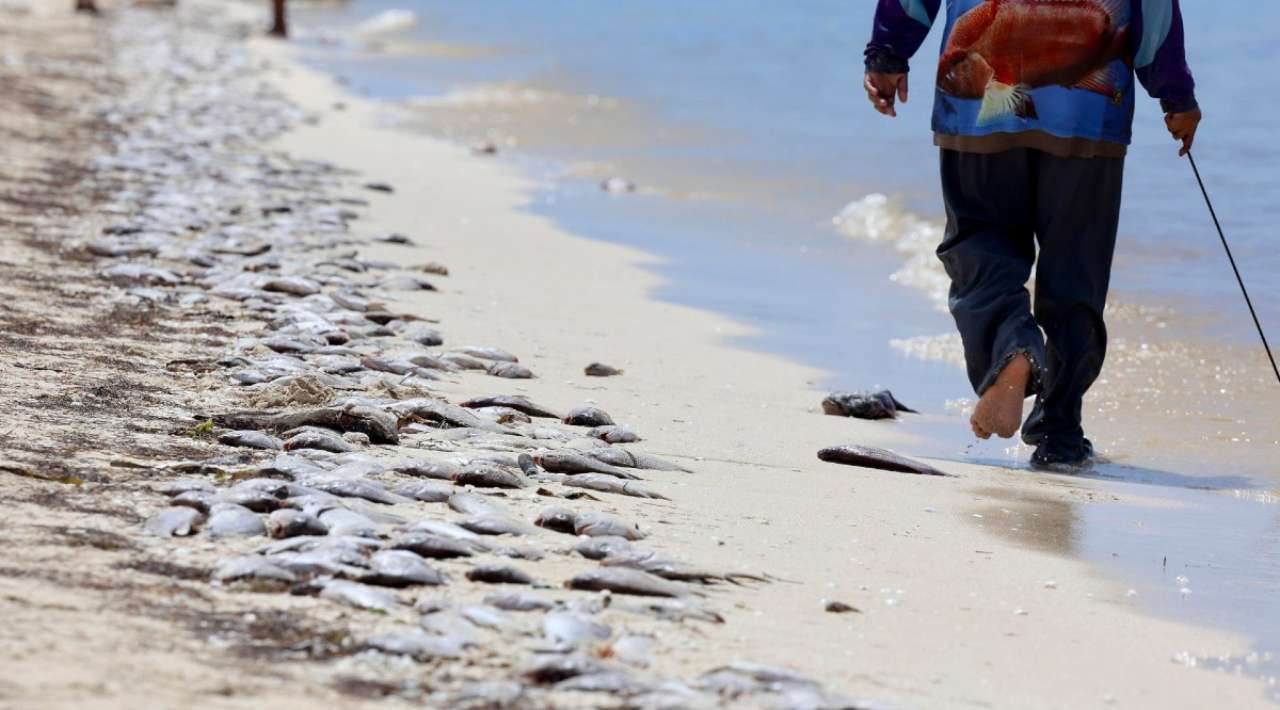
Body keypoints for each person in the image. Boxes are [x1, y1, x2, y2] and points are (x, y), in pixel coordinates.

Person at [863, 0, 1201, 470]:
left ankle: (1011, 350)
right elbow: (1155, 10)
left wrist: (887, 54)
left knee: (979, 244)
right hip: (1087, 118)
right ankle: (1060, 433)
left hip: (979, 113)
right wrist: (1176, 93)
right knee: (1075, 273)